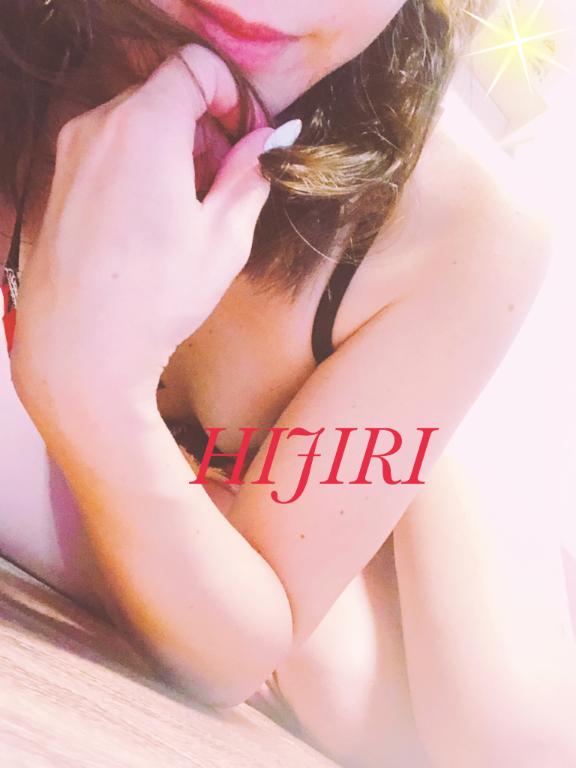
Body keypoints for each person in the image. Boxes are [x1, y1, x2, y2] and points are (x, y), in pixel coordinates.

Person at [1, 1, 575, 766]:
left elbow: (227, 652)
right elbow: (230, 641)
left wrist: (90, 394)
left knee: (509, 741)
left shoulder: (466, 221)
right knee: (342, 683)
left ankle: (441, 452)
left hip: (442, 444)